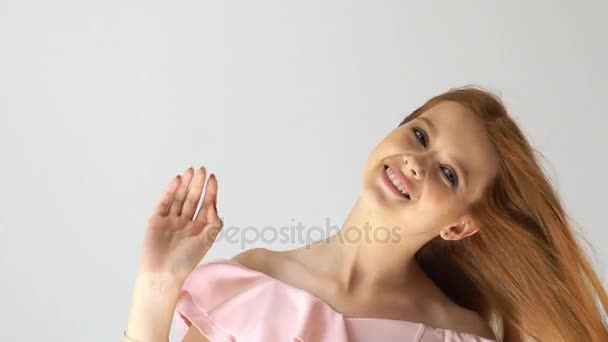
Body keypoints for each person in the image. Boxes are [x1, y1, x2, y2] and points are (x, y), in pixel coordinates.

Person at [124, 86, 608, 342]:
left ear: (459, 225)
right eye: (420, 135)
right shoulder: (251, 285)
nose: (416, 164)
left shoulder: (458, 336)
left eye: (448, 174)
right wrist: (158, 282)